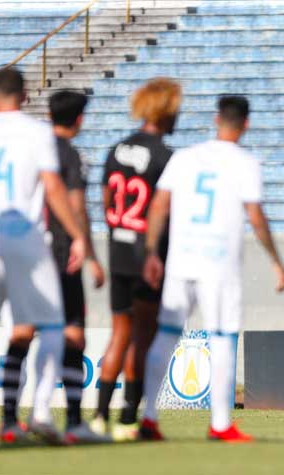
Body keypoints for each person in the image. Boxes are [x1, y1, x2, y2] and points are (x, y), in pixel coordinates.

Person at [139, 95, 284, 442]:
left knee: (165, 334)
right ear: (246, 124)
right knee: (221, 338)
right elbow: (255, 215)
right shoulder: (245, 162)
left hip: (181, 259)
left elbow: (159, 206)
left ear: (215, 118)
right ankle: (220, 423)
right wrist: (276, 261)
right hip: (218, 263)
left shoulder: (184, 157)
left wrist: (151, 252)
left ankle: (148, 416)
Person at [0, 67, 86, 444]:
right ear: (26, 96)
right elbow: (53, 188)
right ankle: (41, 413)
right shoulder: (37, 133)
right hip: (25, 237)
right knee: (50, 324)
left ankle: (12, 421)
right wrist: (78, 236)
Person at [91, 78, 181, 441]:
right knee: (142, 337)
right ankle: (128, 419)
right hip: (147, 255)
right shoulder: (164, 156)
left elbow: (106, 202)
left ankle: (98, 416)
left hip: (118, 248)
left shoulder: (115, 149)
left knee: (119, 334)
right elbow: (163, 209)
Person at [44, 90, 109, 443]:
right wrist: (91, 254)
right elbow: (77, 206)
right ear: (80, 119)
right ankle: (72, 420)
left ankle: (19, 416)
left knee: (26, 332)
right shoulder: (70, 156)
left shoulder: (33, 150)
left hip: (25, 251)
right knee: (73, 334)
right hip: (62, 253)